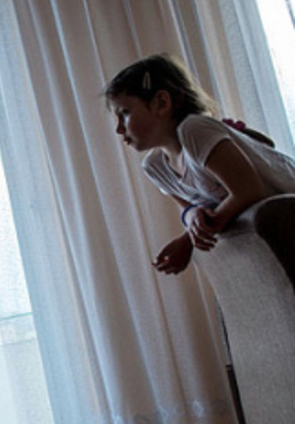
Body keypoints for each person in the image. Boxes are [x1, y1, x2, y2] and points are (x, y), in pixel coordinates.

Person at [104, 53, 295, 275]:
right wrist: (192, 216)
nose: (119, 129)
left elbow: (249, 190)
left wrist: (188, 241)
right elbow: (189, 207)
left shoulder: (194, 130)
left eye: (125, 114)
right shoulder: (154, 167)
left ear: (162, 103)